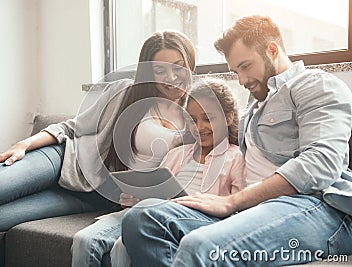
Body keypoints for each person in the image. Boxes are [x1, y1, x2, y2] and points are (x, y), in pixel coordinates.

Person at [121, 15, 352, 266]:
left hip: (313, 206)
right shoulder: (255, 103)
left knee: (200, 246)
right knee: (141, 219)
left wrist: (232, 201)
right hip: (251, 211)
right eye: (235, 71)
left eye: (246, 66)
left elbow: (321, 164)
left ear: (272, 50)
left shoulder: (315, 85)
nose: (241, 81)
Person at [0, 31, 196, 231]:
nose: (171, 77)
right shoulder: (124, 93)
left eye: (178, 67)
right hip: (63, 159)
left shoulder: (196, 119)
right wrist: (24, 144)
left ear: (190, 65)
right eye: (160, 70)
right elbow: (72, 127)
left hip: (95, 197)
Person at [71, 77, 247, 267]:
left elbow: (239, 209)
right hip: (149, 211)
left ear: (228, 117)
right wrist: (135, 198)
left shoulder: (235, 157)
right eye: (192, 120)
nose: (199, 127)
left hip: (186, 220)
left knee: (123, 247)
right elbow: (157, 191)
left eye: (207, 119)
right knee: (83, 239)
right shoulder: (177, 153)